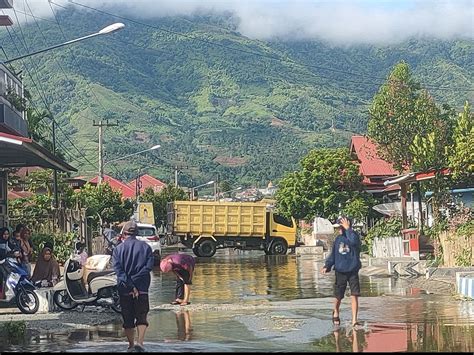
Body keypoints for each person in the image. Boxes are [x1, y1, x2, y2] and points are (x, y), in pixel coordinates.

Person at [113, 220, 154, 353]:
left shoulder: (118, 249)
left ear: (124, 234)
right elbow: (148, 268)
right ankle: (140, 343)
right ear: (137, 233)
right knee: (142, 316)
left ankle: (131, 345)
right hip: (142, 287)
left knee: (128, 318)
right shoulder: (146, 248)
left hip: (125, 289)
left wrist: (130, 285)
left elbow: (119, 272)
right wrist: (136, 284)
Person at [321, 216, 362, 328]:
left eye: (341, 227)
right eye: (338, 227)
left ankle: (354, 320)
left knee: (354, 295)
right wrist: (327, 265)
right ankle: (336, 311)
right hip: (340, 271)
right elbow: (333, 255)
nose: (339, 229)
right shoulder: (338, 239)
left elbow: (354, 242)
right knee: (339, 295)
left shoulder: (354, 236)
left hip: (353, 270)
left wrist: (348, 229)